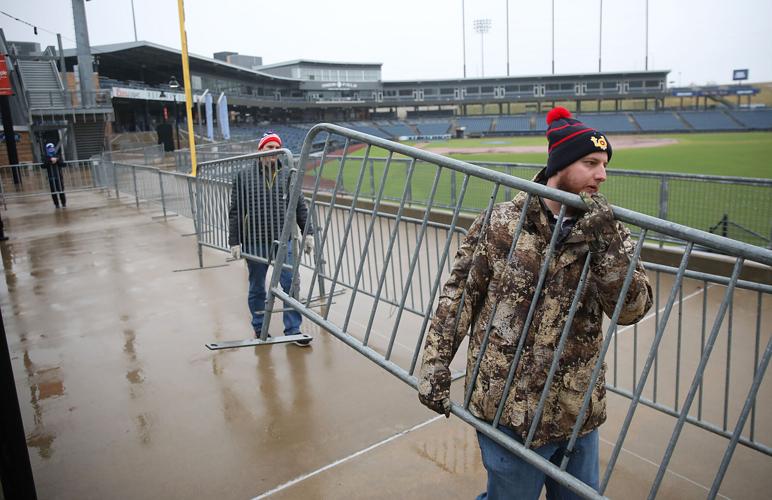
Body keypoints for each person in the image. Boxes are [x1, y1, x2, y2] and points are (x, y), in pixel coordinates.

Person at [418, 107, 653, 499]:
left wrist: (607, 246)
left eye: (605, 165)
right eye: (591, 163)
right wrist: (434, 364)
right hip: (508, 410)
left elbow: (632, 310)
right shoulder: (500, 224)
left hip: (575, 413)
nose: (602, 175)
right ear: (559, 165)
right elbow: (459, 297)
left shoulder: (609, 232)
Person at [227, 131, 314, 345]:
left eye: (277, 148)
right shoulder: (243, 176)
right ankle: (260, 327)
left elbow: (300, 206)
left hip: (284, 240)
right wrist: (234, 240)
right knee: (257, 286)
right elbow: (236, 210)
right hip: (255, 240)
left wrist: (308, 232)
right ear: (260, 151)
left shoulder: (288, 175)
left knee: (291, 284)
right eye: (269, 148)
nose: (274, 152)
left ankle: (293, 329)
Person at [42, 143, 66, 208]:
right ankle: (56, 204)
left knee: (61, 190)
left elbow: (63, 164)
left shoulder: (57, 155)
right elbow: (43, 165)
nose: (51, 150)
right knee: (53, 192)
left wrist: (57, 160)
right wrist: (50, 160)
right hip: (51, 177)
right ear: (47, 149)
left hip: (58, 176)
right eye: (49, 148)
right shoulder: (45, 156)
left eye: (52, 148)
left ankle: (63, 203)